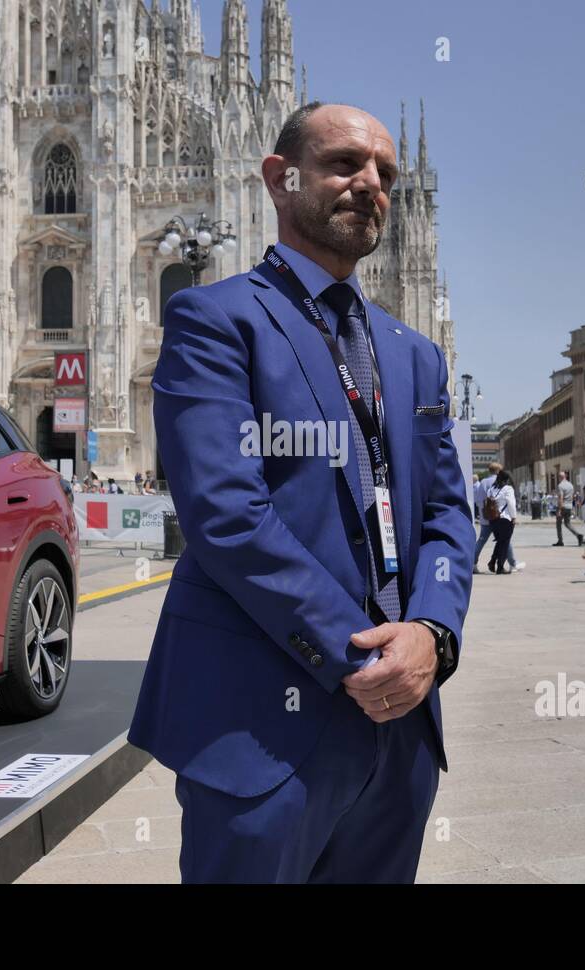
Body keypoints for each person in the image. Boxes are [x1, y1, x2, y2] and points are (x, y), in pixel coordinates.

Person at [128, 102, 473, 884]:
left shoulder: (413, 355)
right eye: (345, 164)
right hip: (263, 730)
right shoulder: (215, 320)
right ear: (280, 181)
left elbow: (449, 509)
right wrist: (358, 653)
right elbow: (225, 514)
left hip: (402, 730)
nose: (370, 184)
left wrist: (433, 634)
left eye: (384, 172)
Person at [472, 461, 504, 572]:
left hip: (486, 517)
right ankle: (512, 562)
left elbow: (479, 500)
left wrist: (483, 513)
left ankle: (472, 563)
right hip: (499, 517)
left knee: (481, 541)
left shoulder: (484, 482)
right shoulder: (501, 481)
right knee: (504, 540)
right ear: (498, 471)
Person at [485, 470, 515, 574]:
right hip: (505, 518)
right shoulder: (508, 489)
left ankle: (492, 562)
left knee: (500, 542)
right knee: (504, 543)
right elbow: (511, 503)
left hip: (493, 519)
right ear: (506, 479)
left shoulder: (491, 489)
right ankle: (500, 567)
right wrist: (514, 517)